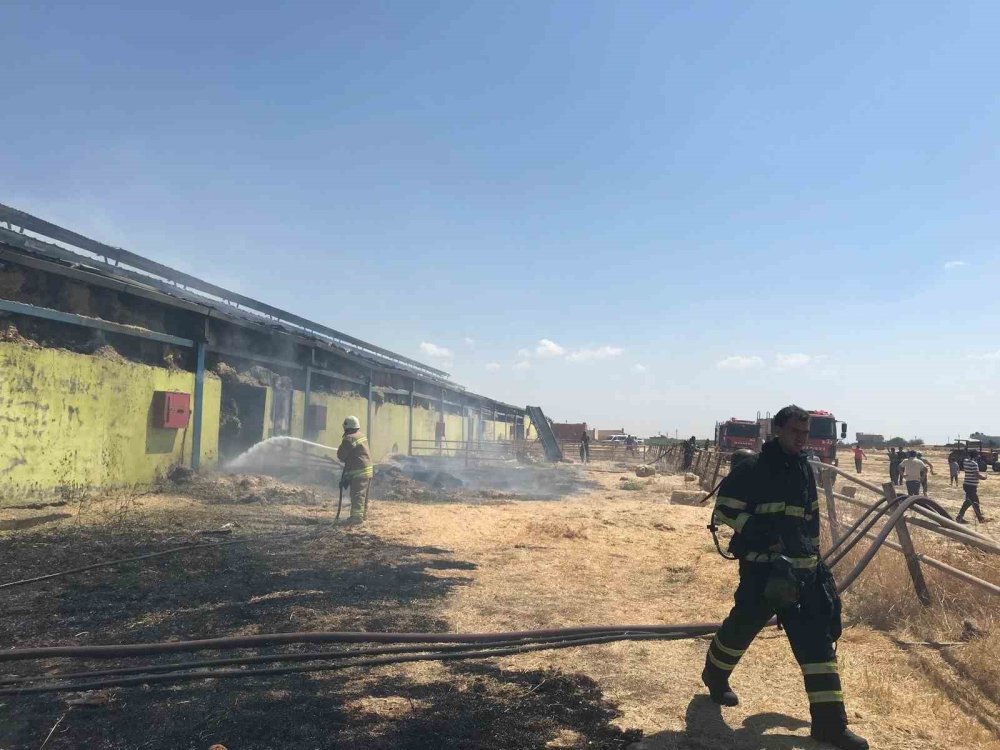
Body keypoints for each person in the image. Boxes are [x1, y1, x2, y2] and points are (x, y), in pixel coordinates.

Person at [706, 405, 868, 749]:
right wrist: (762, 532)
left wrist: (813, 560)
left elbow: (809, 518)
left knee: (817, 643)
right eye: (796, 432)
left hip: (802, 572)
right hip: (761, 570)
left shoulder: (804, 469)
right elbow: (724, 511)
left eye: (806, 434)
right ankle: (715, 676)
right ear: (777, 430)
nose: (802, 439)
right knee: (740, 629)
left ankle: (830, 726)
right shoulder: (751, 468)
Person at [336, 415, 373, 525]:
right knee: (363, 496)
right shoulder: (362, 436)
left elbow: (341, 455)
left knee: (357, 495)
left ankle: (356, 519)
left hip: (359, 471)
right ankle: (362, 515)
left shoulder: (349, 439)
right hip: (368, 470)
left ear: (346, 427)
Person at [957, 451, 987, 524]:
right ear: (975, 456)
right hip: (971, 485)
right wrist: (984, 477)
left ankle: (980, 518)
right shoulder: (975, 464)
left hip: (966, 484)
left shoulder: (965, 462)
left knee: (975, 501)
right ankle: (959, 517)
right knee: (969, 502)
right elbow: (977, 475)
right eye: (978, 456)